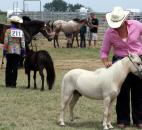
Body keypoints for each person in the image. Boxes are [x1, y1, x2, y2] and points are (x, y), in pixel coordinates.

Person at [100, 6, 142, 129]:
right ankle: (122, 119)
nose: (115, 26)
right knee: (121, 92)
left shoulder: (137, 25)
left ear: (124, 20)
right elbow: (104, 51)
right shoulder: (109, 32)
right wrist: (106, 61)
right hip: (119, 63)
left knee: (139, 91)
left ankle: (139, 120)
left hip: (137, 60)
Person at [3, 16, 26, 88]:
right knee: (15, 68)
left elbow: (6, 42)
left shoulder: (8, 31)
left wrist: (4, 50)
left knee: (8, 67)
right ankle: (13, 84)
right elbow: (22, 43)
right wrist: (23, 52)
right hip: (17, 52)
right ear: (17, 24)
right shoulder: (21, 32)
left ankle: (8, 83)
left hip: (9, 51)